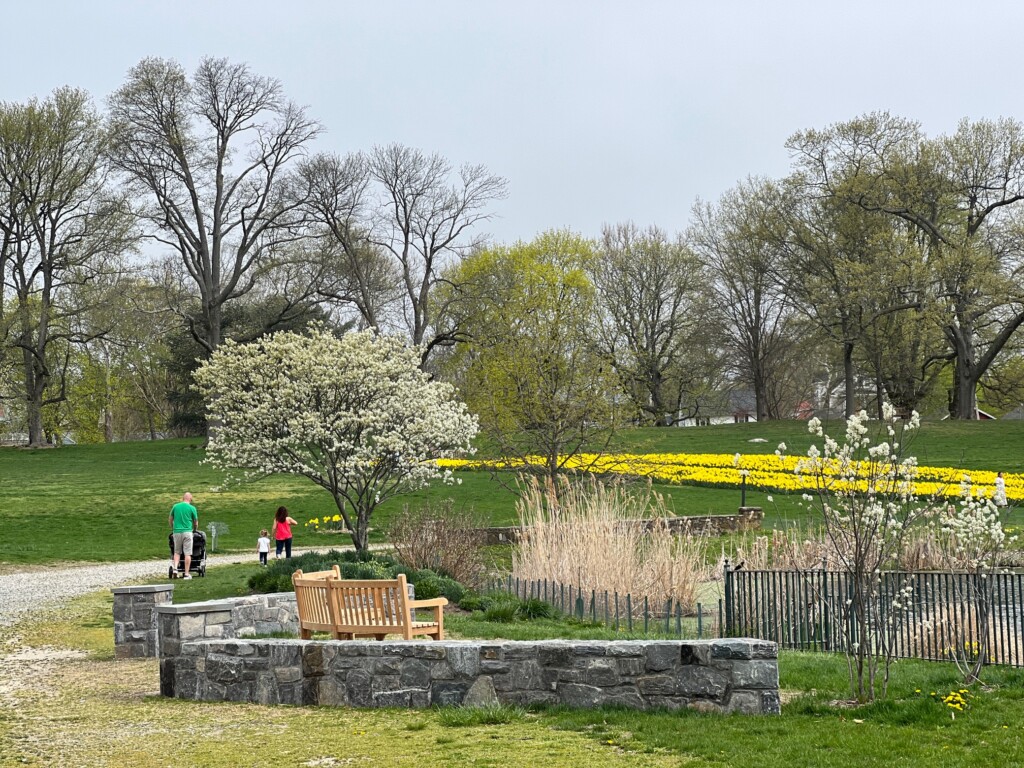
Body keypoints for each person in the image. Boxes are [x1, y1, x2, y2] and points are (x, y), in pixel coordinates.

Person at [169, 492, 198, 579]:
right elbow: (195, 522)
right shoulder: (192, 508)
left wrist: (172, 528)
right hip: (187, 532)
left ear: (183, 498)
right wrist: (195, 530)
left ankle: (175, 569)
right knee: (187, 553)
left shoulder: (175, 506)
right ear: (190, 499)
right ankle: (186, 573)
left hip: (176, 532)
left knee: (177, 552)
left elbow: (170, 519)